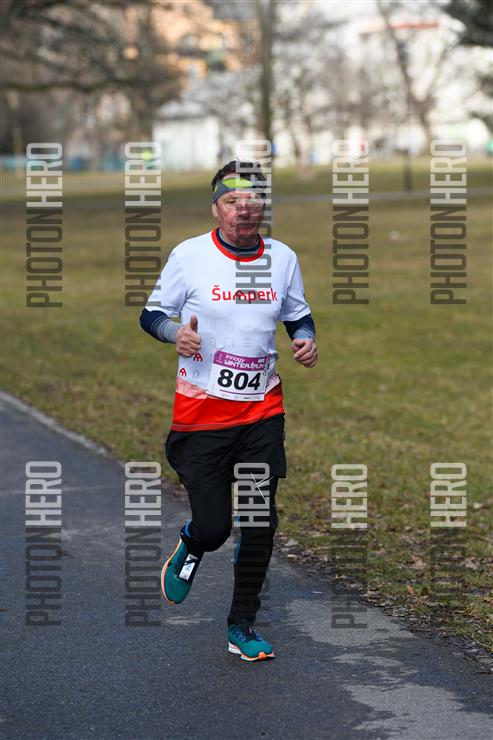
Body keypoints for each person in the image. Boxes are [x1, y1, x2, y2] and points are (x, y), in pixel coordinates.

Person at [140, 160, 317, 662]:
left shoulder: (282, 257)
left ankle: (241, 624)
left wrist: (305, 339)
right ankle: (193, 543)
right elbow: (151, 313)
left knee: (260, 522)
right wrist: (176, 334)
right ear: (216, 207)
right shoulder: (190, 255)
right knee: (216, 527)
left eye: (253, 200)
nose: (244, 209)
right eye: (232, 200)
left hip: (262, 410)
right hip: (201, 416)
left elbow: (297, 314)